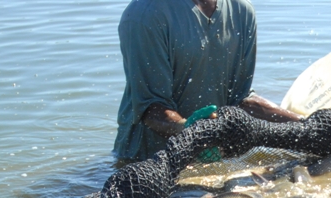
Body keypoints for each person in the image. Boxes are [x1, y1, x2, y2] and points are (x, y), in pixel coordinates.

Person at [114, 0, 301, 163]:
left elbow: (240, 100)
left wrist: (304, 125)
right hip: (146, 160)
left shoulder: (242, 10)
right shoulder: (145, 15)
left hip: (215, 159)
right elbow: (151, 109)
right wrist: (191, 131)